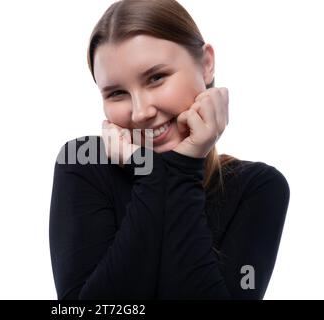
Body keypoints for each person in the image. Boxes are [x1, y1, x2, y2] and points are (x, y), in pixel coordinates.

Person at [49, 0, 290, 299]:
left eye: (156, 78)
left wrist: (183, 167)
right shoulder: (84, 163)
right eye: (117, 93)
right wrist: (148, 172)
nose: (140, 113)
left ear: (206, 64)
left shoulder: (259, 188)